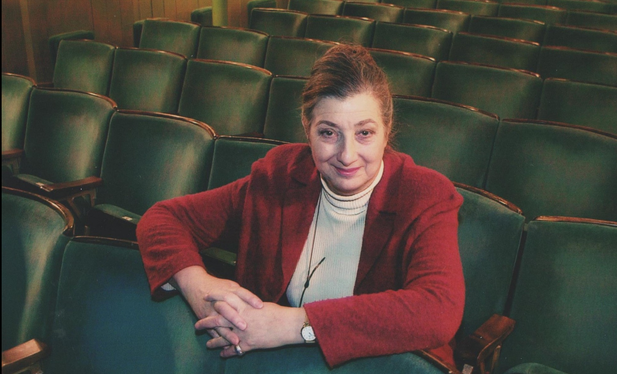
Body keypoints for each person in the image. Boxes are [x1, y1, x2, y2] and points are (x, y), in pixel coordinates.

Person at [136, 44, 464, 369]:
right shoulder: (279, 176)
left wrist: (294, 325)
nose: (347, 155)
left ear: (386, 130)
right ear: (307, 130)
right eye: (328, 133)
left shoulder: (425, 195)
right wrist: (199, 287)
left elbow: (438, 309)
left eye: (364, 132)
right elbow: (164, 219)